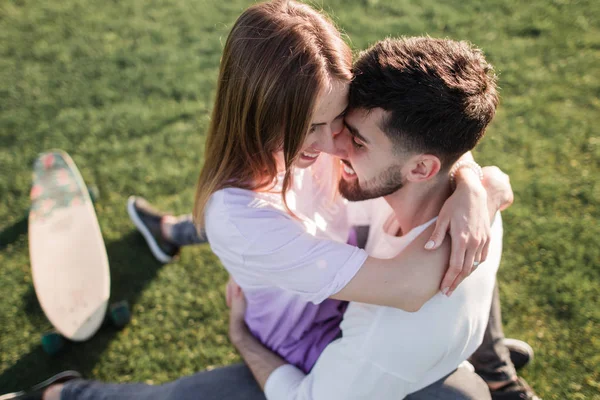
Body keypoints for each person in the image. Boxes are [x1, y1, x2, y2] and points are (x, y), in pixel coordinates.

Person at [1, 1, 520, 399]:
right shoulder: (242, 216)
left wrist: (474, 185)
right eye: (309, 129)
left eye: (340, 121)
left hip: (337, 291)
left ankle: (171, 231)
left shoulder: (313, 145)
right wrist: (483, 195)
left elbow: (432, 147)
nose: (333, 144)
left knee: (455, 235)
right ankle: (65, 391)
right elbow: (411, 287)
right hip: (295, 341)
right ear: (261, 115)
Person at [227, 37, 540, 400]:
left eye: (358, 143)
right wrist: (477, 181)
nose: (333, 146)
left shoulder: (381, 336)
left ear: (421, 168)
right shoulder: (477, 213)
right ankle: (494, 371)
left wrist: (241, 338)